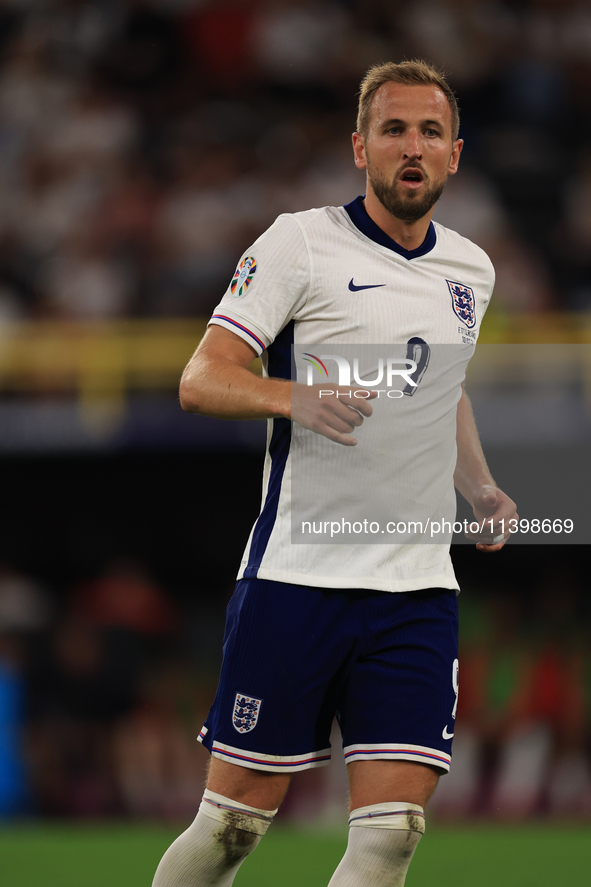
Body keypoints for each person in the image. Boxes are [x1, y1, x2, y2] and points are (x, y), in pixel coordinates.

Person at [152, 59, 517, 887]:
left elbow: (442, 390)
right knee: (231, 829)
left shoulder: (470, 270)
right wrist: (295, 395)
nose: (411, 146)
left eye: (429, 131)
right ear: (360, 147)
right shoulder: (299, 243)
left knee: (390, 836)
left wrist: (480, 486)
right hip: (298, 577)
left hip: (417, 591)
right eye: (393, 129)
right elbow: (200, 379)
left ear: (455, 153)